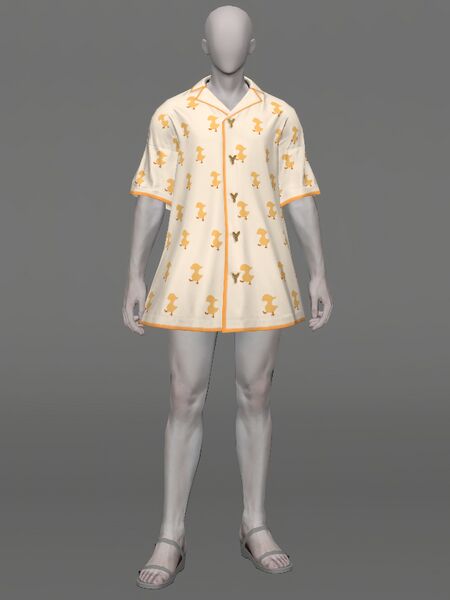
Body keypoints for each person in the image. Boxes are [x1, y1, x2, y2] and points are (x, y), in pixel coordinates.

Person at [123, 5, 332, 589]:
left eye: (238, 35)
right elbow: (153, 196)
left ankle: (254, 523)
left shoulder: (280, 115)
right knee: (183, 395)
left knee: (257, 393)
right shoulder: (173, 113)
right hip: (191, 270)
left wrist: (318, 272)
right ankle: (171, 533)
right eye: (219, 34)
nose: (229, 44)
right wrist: (135, 274)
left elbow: (297, 194)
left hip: (261, 270)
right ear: (204, 43)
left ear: (253, 44)